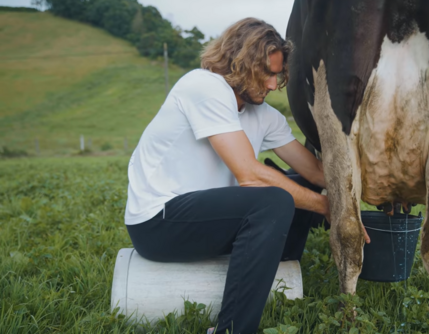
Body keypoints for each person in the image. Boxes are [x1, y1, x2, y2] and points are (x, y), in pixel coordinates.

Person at [124, 18, 331, 334]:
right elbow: (248, 174)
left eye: (278, 75)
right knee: (274, 200)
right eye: (268, 74)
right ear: (242, 62)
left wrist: (371, 187)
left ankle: (278, 264)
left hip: (205, 222)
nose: (274, 85)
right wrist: (326, 206)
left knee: (295, 187)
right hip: (158, 224)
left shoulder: (264, 115)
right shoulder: (203, 87)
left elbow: (315, 173)